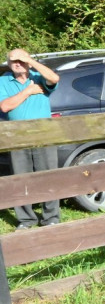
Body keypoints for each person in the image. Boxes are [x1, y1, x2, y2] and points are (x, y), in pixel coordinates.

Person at [1, 48, 61, 229]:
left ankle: (51, 218)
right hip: (16, 137)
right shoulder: (3, 82)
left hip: (44, 135)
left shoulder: (38, 76)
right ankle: (26, 220)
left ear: (28, 61)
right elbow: (5, 106)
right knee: (21, 179)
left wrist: (31, 61)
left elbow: (54, 79)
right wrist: (28, 91)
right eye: (13, 61)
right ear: (8, 64)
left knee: (48, 177)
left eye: (21, 60)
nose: (17, 63)